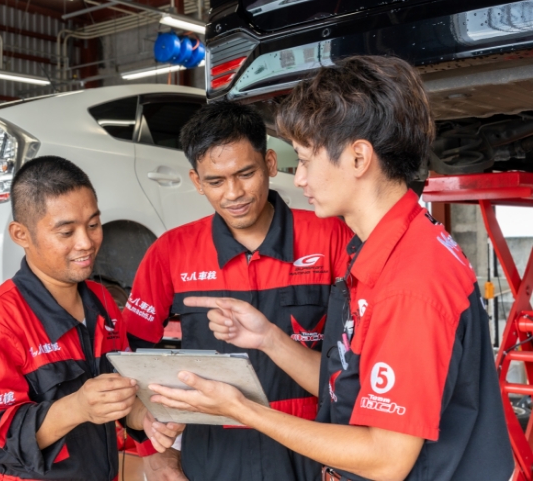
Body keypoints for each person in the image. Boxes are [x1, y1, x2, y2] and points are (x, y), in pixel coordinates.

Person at [149, 56, 515, 481]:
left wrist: (239, 408)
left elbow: (385, 457)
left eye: (305, 159)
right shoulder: (381, 251)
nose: (298, 178)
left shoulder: (410, 282)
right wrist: (268, 338)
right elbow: (346, 382)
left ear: (358, 158)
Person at [121, 101, 353, 480]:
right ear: (196, 181)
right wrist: (151, 447)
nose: (234, 193)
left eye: (246, 173)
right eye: (215, 181)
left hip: (311, 449)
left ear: (271, 165)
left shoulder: (332, 238)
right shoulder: (170, 252)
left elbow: (361, 360)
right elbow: (127, 356)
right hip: (212, 455)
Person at [0, 156, 181, 481]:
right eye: (66, 232)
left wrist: (145, 417)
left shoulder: (102, 302)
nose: (86, 242)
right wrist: (76, 408)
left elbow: (123, 397)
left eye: (93, 224)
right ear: (21, 234)